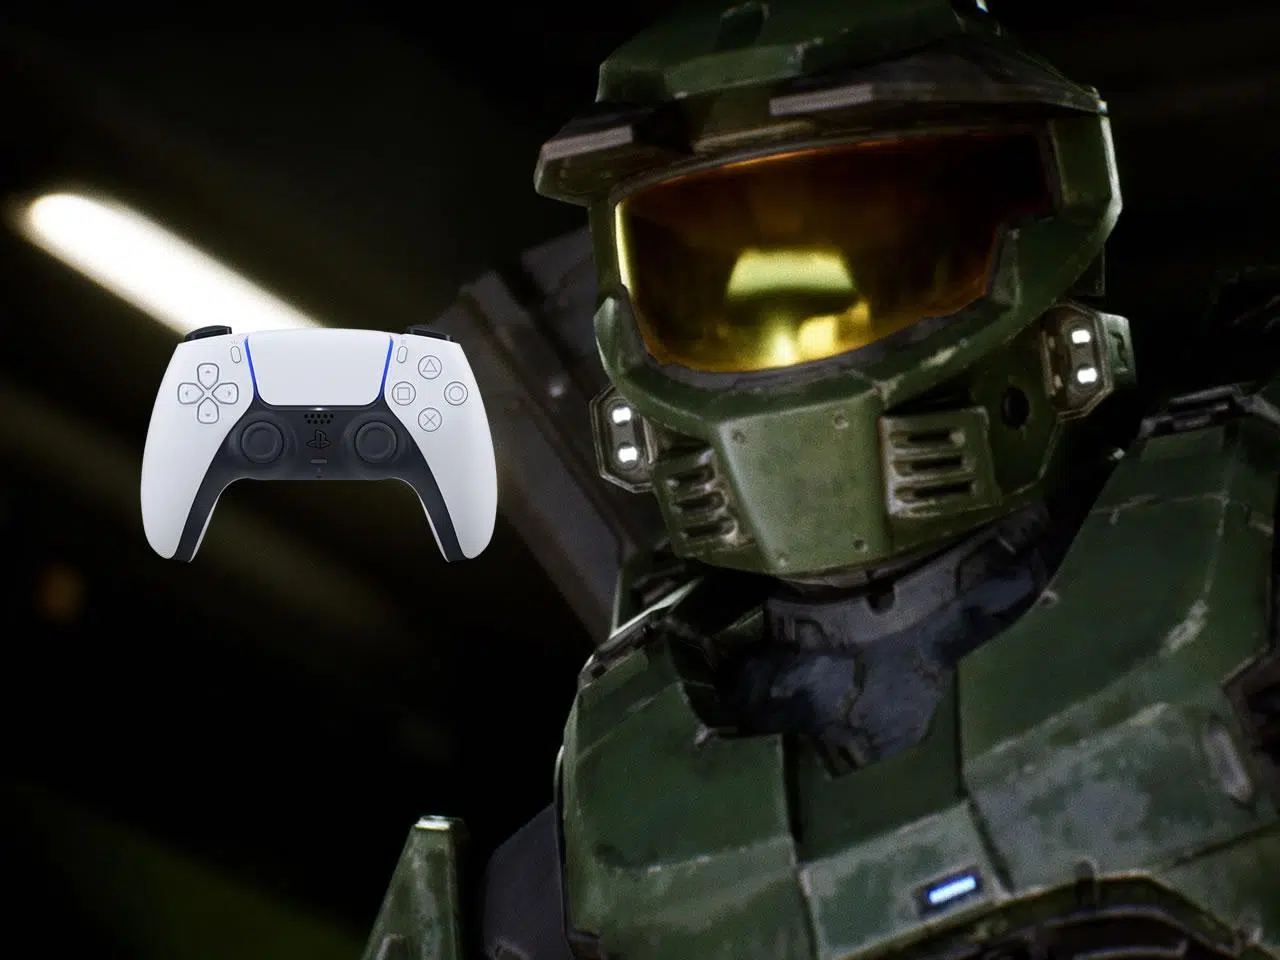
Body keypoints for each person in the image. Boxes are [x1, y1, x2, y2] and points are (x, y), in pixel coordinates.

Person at [364, 2, 1280, 956]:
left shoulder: (1241, 545)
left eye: (875, 261)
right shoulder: (595, 821)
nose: (802, 348)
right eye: (733, 298)